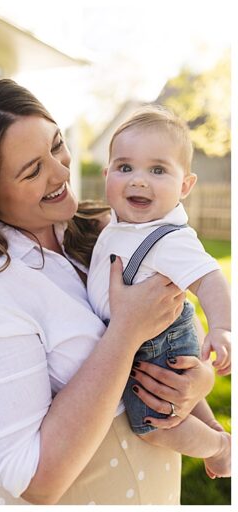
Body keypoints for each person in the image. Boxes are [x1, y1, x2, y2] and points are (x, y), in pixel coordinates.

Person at [0, 79, 218, 504]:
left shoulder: (102, 231)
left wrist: (196, 381)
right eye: (33, 170)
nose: (63, 172)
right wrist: (125, 333)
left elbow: (171, 327)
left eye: (57, 145)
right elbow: (33, 479)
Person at [87, 105, 230, 478]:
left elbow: (211, 279)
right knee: (181, 397)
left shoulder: (169, 238)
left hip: (157, 342)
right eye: (124, 167)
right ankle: (216, 434)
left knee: (152, 422)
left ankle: (219, 450)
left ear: (185, 186)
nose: (138, 180)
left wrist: (222, 329)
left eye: (157, 170)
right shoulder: (119, 223)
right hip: (142, 338)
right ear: (107, 176)